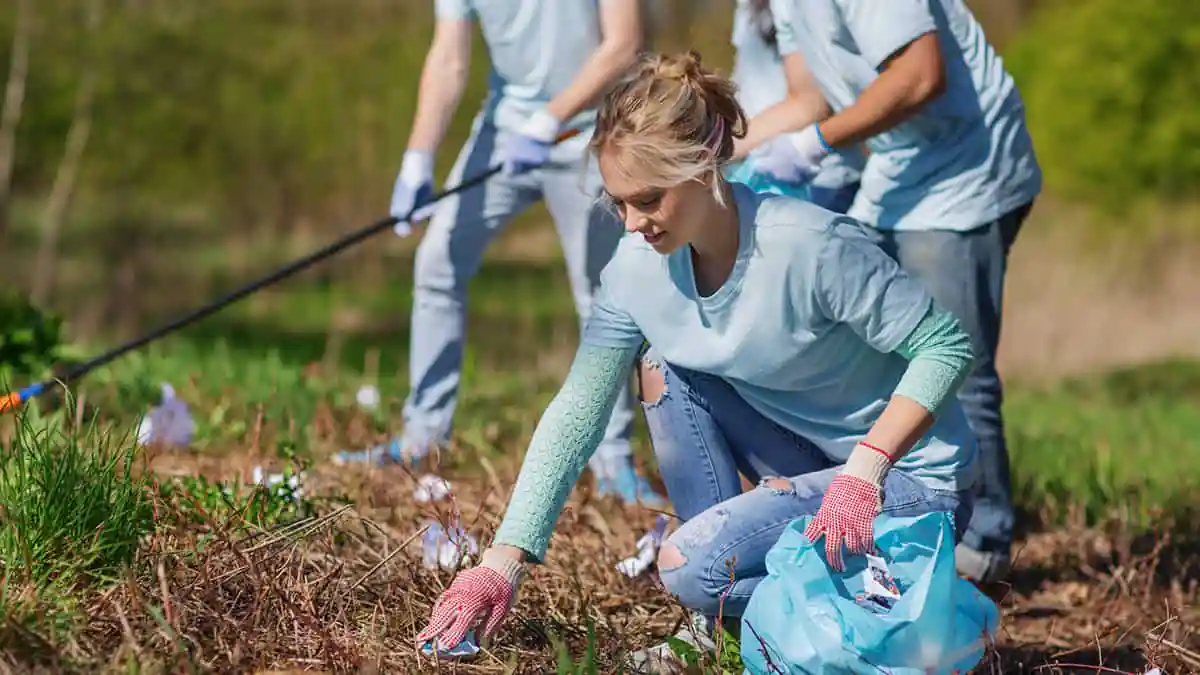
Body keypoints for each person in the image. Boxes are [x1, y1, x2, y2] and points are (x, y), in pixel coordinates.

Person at [414, 52, 981, 672]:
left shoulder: (811, 246)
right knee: (663, 365)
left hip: (908, 478)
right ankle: (743, 622)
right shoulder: (635, 273)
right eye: (617, 203)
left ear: (703, 165)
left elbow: (946, 347)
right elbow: (579, 408)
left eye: (649, 199)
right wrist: (502, 559)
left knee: (689, 567)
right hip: (806, 459)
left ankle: (890, 593)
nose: (632, 223)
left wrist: (865, 470)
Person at [735, 0, 1043, 586]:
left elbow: (921, 74)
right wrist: (719, 149)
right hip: (898, 169)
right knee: (870, 348)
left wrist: (814, 144)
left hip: (966, 168)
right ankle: (895, 516)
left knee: (952, 358)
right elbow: (808, 98)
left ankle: (983, 546)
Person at [334, 0, 666, 508]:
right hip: (503, 132)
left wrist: (550, 119)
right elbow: (449, 57)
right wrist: (417, 158)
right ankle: (423, 439)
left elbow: (622, 44)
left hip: (594, 132)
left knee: (603, 297)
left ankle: (611, 457)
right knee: (437, 263)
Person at [727, 0, 866, 213]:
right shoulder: (747, 6)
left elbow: (813, 103)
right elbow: (744, 81)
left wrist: (721, 146)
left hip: (817, 183)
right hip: (754, 176)